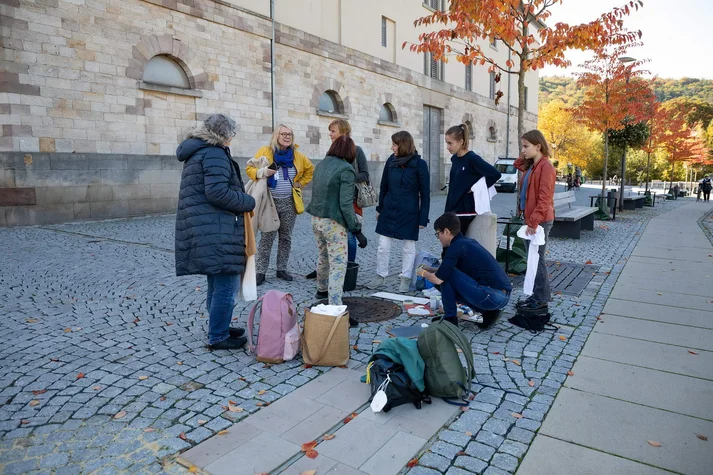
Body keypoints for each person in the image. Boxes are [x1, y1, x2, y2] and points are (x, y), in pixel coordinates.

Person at [175, 114, 256, 350]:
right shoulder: (213, 153)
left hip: (207, 227)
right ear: (225, 134)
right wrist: (247, 201)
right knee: (227, 284)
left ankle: (218, 325)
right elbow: (217, 192)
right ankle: (218, 335)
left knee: (216, 281)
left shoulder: (198, 150)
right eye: (232, 134)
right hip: (216, 228)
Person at [307, 135, 367, 321]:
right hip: (333, 223)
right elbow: (346, 205)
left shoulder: (322, 164)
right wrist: (357, 230)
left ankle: (321, 290)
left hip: (316, 219)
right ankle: (335, 306)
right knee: (338, 264)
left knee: (323, 257)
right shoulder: (346, 170)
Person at [417, 212, 512, 328]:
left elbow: (439, 279)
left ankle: (450, 319)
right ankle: (489, 313)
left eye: (438, 234)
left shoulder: (455, 248)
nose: (438, 238)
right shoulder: (466, 243)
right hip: (501, 296)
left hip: (492, 296)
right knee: (447, 276)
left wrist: (422, 272)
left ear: (447, 231)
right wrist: (430, 269)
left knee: (445, 277)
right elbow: (449, 273)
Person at [247, 124, 314, 286]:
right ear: (276, 136)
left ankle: (281, 268)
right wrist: (261, 172)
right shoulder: (266, 151)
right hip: (269, 201)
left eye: (290, 134)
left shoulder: (297, 156)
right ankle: (260, 271)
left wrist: (300, 183)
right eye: (283, 134)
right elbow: (249, 169)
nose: (287, 137)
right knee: (267, 236)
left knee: (286, 237)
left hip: (289, 202)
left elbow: (310, 170)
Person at [366, 131, 430, 292]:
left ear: (403, 145)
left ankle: (405, 278)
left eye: (395, 144)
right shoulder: (391, 160)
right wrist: (380, 208)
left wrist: (423, 219)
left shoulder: (419, 164)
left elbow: (425, 194)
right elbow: (384, 187)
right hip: (389, 209)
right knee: (382, 246)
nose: (392, 147)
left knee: (408, 247)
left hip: (409, 212)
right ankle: (380, 275)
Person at [306, 119, 370, 279]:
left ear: (343, 132)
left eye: (333, 131)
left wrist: (345, 176)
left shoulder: (357, 150)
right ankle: (324, 268)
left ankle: (348, 269)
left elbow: (365, 175)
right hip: (332, 201)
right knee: (328, 236)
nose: (330, 134)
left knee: (349, 235)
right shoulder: (332, 151)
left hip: (350, 198)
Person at [514, 130, 556, 313]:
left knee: (537, 259)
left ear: (538, 146)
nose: (522, 150)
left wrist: (534, 223)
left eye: (526, 146)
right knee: (533, 259)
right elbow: (517, 163)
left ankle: (541, 299)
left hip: (539, 221)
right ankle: (536, 295)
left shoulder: (546, 167)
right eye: (522, 146)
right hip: (531, 219)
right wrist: (525, 154)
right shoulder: (532, 165)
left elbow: (544, 198)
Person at [444, 124, 501, 232]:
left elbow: (495, 174)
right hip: (451, 210)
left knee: (455, 244)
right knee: (448, 245)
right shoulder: (455, 159)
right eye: (447, 143)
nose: (447, 147)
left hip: (465, 212)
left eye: (450, 143)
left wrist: (476, 187)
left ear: (461, 142)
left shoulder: (472, 158)